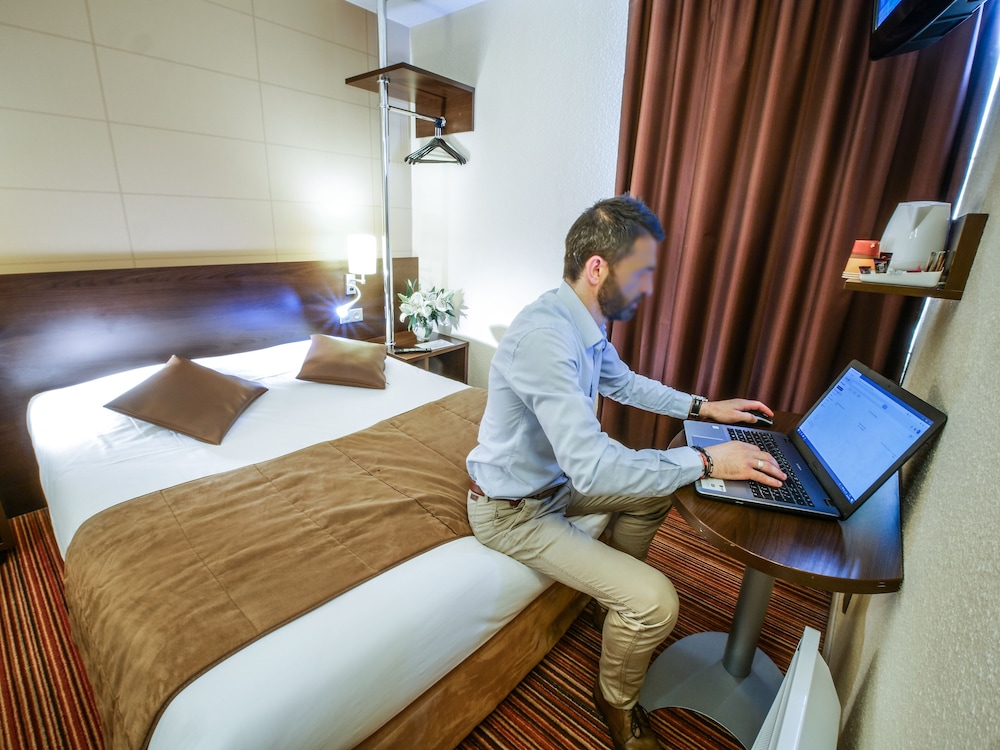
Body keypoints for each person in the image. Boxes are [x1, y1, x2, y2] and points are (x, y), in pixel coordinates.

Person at [466, 195, 786, 750]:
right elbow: (592, 469)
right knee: (657, 602)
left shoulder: (582, 322)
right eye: (641, 272)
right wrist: (707, 460)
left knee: (654, 495)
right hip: (511, 513)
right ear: (598, 268)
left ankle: (607, 600)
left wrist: (703, 407)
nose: (647, 287)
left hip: (552, 487)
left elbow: (627, 384)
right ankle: (615, 699)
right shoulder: (545, 338)